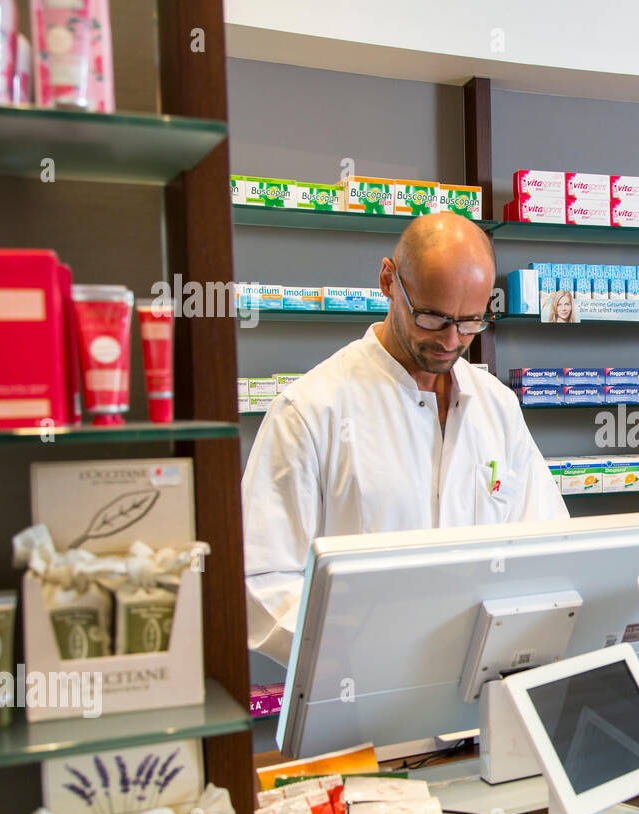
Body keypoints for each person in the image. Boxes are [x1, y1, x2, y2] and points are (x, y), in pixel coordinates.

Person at [242, 213, 568, 665]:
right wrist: (362, 654)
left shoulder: (497, 406)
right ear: (388, 280)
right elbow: (261, 582)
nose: (451, 340)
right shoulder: (311, 409)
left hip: (482, 693)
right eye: (432, 318)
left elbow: (548, 543)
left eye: (471, 322)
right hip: (364, 699)